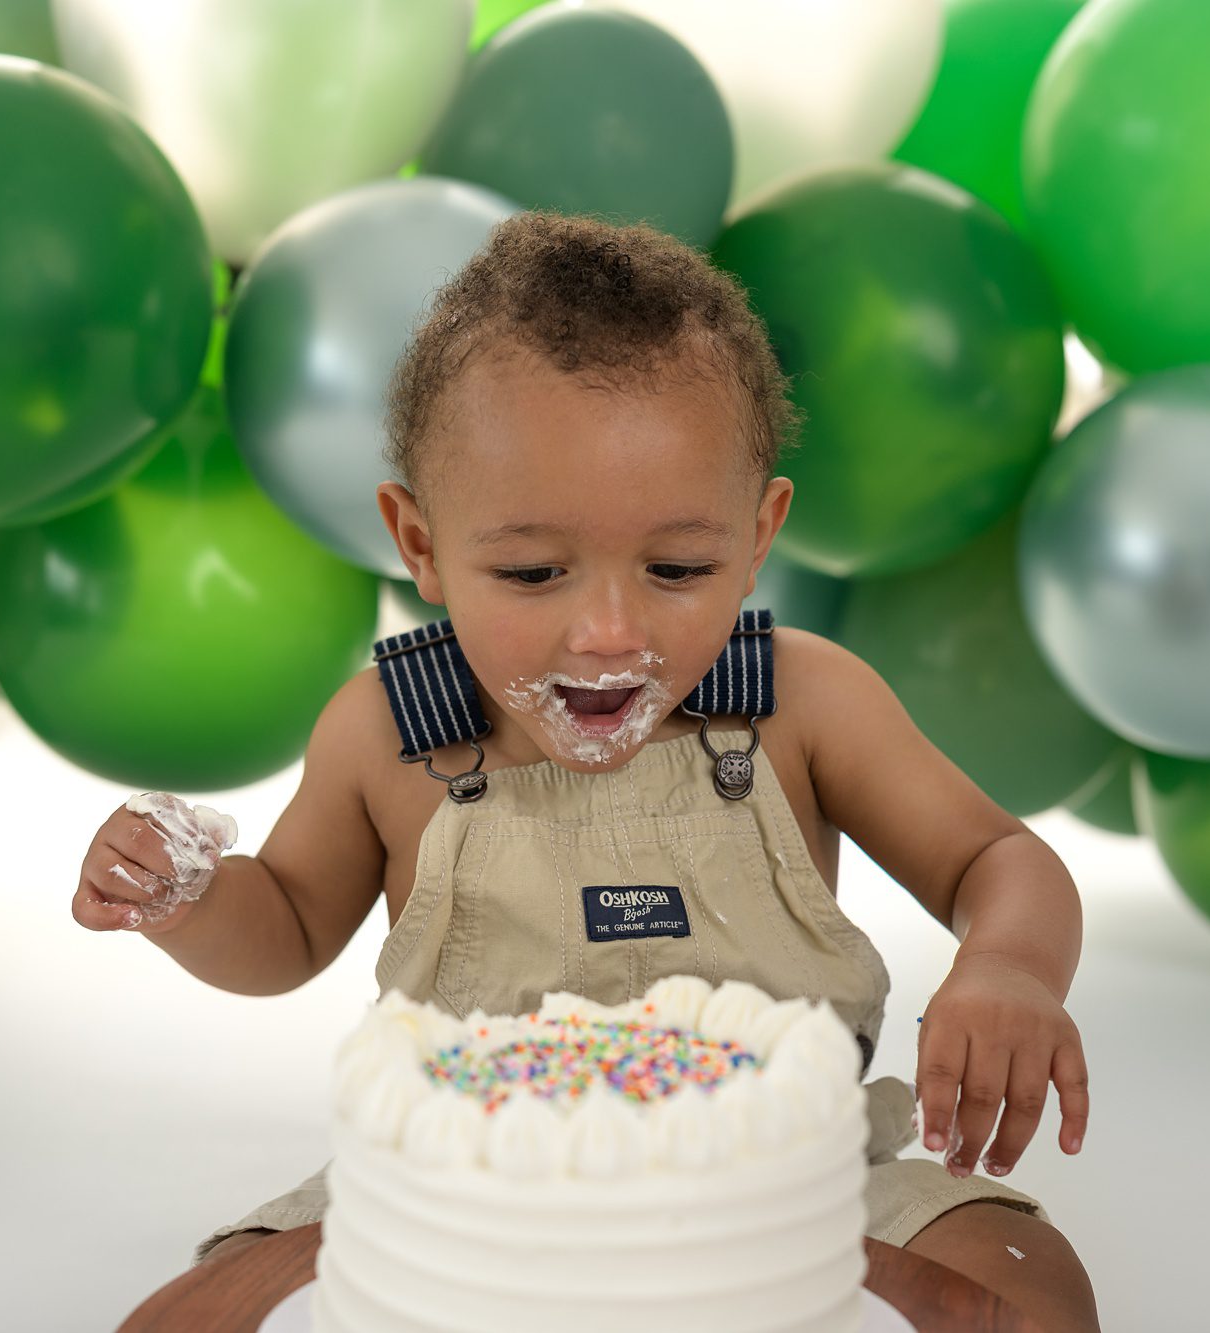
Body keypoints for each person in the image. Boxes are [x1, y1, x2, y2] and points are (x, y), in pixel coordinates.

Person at [73, 211, 1100, 1332]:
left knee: (1029, 1291)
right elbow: (285, 925)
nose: (609, 631)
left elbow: (995, 855)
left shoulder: (804, 705)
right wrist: (189, 899)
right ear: (418, 544)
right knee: (186, 1314)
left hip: (793, 1181)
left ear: (758, 535)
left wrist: (1008, 966)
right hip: (460, 1190)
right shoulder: (389, 733)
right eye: (530, 571)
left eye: (676, 566)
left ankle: (796, 1294)